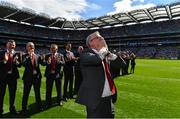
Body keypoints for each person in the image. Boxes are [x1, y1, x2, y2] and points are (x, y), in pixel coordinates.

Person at [76, 31, 118, 118]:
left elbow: (122, 64)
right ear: (91, 42)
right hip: (95, 101)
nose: (101, 38)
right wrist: (104, 50)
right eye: (98, 37)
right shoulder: (85, 54)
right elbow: (97, 59)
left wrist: (111, 54)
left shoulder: (105, 54)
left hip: (109, 99)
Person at [0, 40, 21, 117]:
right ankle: (0, 111)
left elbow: (20, 65)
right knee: (1, 94)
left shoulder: (17, 54)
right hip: (2, 77)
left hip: (13, 77)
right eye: (10, 44)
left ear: (15, 46)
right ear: (6, 45)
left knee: (13, 94)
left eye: (13, 45)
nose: (11, 46)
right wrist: (4, 61)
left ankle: (12, 109)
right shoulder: (1, 53)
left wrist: (16, 62)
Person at [21, 42, 43, 114]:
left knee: (37, 93)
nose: (31, 47)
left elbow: (43, 63)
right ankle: (24, 108)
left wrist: (46, 61)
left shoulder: (37, 55)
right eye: (30, 46)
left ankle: (39, 107)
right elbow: (23, 64)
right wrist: (29, 57)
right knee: (26, 93)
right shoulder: (24, 55)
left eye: (32, 46)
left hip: (37, 77)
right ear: (27, 47)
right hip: (28, 78)